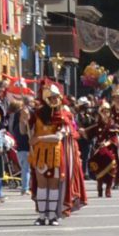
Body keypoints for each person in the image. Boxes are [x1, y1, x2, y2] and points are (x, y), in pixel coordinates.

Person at [29, 86, 74, 225]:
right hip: (39, 154)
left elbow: (58, 137)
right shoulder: (36, 114)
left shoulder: (62, 116)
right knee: (42, 185)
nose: (55, 100)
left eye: (56, 97)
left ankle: (52, 216)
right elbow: (29, 134)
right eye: (52, 98)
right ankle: (42, 217)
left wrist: (40, 138)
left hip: (55, 153)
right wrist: (22, 120)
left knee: (53, 185)